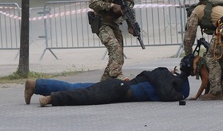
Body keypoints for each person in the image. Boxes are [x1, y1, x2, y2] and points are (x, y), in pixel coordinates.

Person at [24, 55, 194, 107]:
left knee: (78, 87)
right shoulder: (167, 79)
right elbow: (169, 94)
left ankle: (36, 85)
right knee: (87, 96)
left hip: (120, 86)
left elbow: (166, 89)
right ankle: (53, 98)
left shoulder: (162, 74)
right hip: (120, 89)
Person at [184, 0, 223, 100]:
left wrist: (188, 56)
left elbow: (189, 37)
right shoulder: (212, 7)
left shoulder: (195, 12)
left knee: (211, 58)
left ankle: (215, 92)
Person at [89, 0, 136, 81]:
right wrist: (110, 6)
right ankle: (116, 75)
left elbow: (128, 10)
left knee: (119, 55)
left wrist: (131, 25)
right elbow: (92, 3)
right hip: (101, 23)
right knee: (115, 47)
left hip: (114, 24)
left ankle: (106, 79)